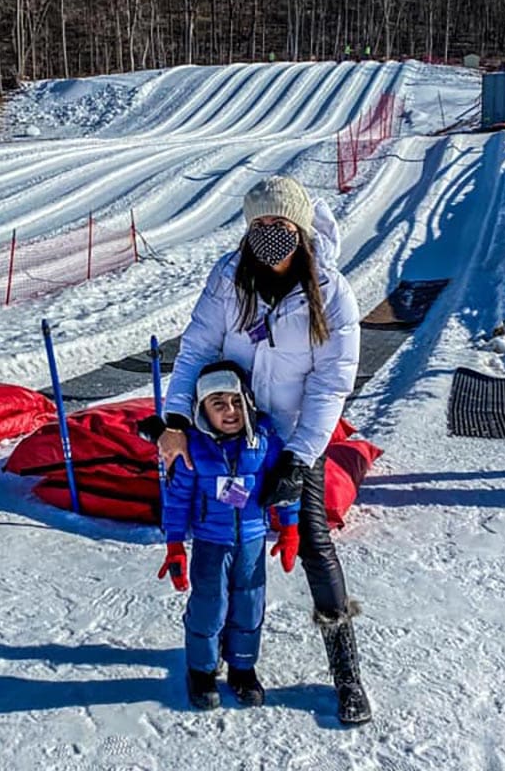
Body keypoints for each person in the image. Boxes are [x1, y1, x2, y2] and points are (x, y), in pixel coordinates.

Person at [156, 176, 371, 724]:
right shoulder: (230, 279)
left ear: (300, 229)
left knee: (316, 544)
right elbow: (197, 348)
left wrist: (299, 458)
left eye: (280, 225)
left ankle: (347, 673)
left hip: (297, 435)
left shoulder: (331, 290)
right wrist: (177, 420)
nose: (269, 235)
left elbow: (330, 382)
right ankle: (211, 654)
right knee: (220, 539)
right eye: (259, 225)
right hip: (232, 433)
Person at [157, 360, 299, 711]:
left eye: (236, 401)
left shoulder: (264, 441)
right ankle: (202, 671)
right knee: (209, 606)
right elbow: (176, 499)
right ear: (202, 410)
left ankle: (242, 667)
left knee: (250, 605)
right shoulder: (193, 447)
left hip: (251, 539)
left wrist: (290, 527)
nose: (230, 411)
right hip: (210, 542)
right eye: (218, 404)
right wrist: (175, 544)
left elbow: (285, 486)